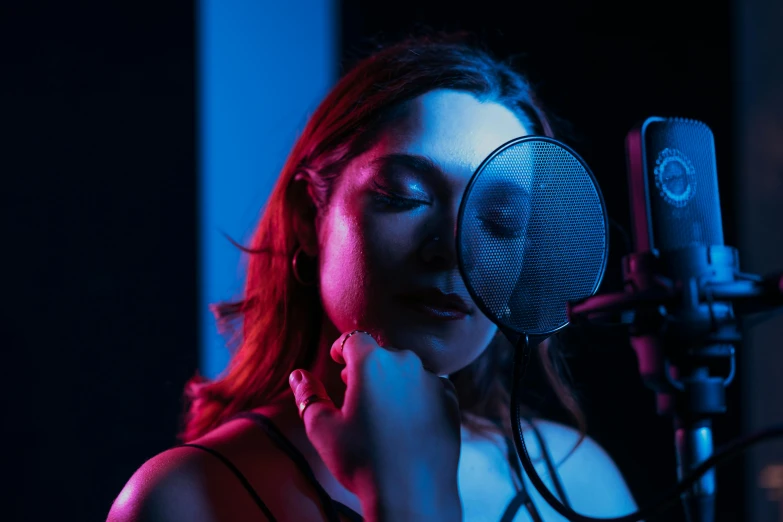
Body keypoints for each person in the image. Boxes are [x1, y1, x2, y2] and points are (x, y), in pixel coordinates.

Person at [107, 32, 639, 522]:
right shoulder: (184, 500)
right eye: (402, 197)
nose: (453, 252)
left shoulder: (581, 483)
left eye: (499, 222)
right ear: (309, 219)